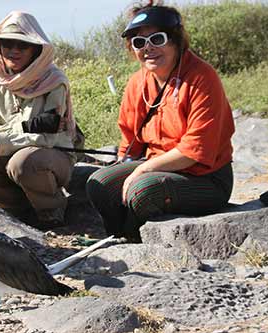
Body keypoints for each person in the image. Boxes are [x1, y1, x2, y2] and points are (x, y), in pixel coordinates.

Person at [86, 3, 235, 241]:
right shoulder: (138, 82)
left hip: (206, 178)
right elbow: (130, 138)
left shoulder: (202, 78)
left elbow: (194, 151)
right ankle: (117, 239)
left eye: (157, 39)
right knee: (99, 183)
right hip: (157, 167)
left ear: (176, 40)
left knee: (142, 190)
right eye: (139, 42)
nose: (148, 48)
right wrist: (124, 167)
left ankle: (135, 243)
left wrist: (143, 169)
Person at [0, 11, 84, 228]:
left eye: (22, 45)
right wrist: (25, 127)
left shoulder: (54, 81)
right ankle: (16, 208)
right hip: (18, 149)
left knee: (23, 162)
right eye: (7, 44)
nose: (13, 51)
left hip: (53, 155)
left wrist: (0, 139)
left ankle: (51, 210)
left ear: (35, 49)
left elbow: (47, 139)